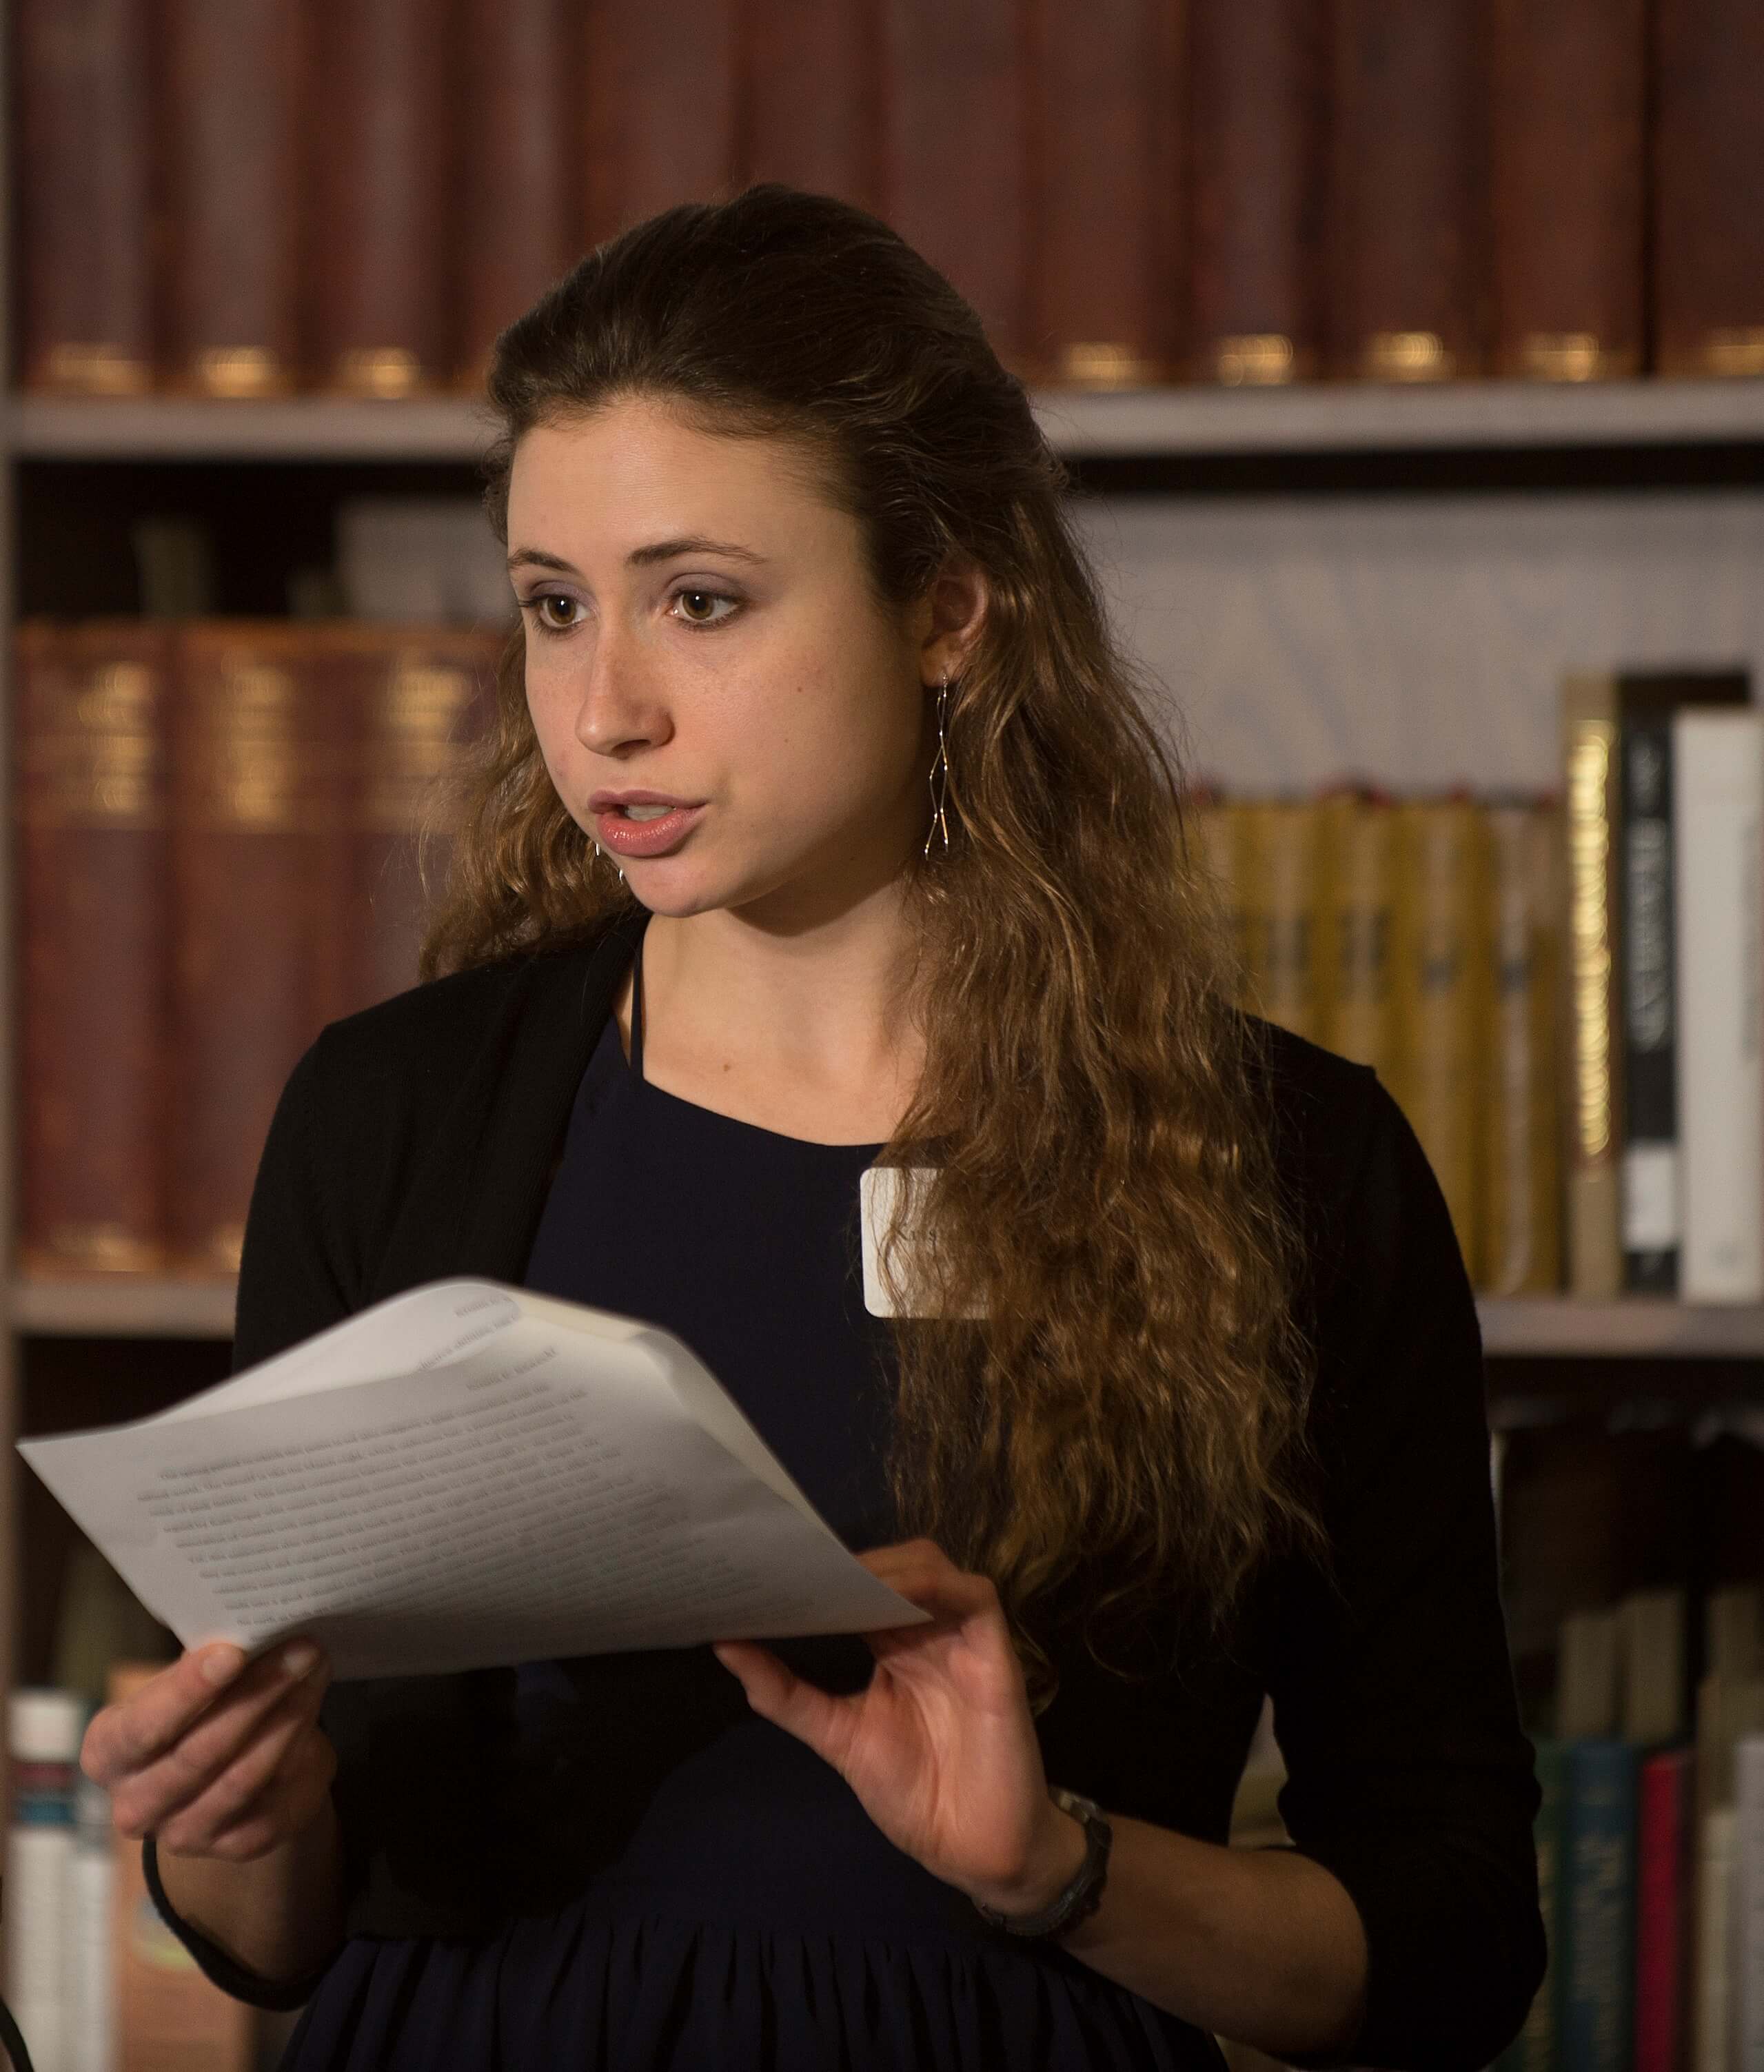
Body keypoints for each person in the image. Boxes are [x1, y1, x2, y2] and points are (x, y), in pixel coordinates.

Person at [79, 185, 1544, 2071]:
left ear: (944, 610)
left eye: (702, 602)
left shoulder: (1292, 1163)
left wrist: (1060, 1871)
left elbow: (1449, 1948)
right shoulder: (393, 1115)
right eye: (553, 609)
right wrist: (237, 1832)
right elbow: (277, 1948)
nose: (603, 712)